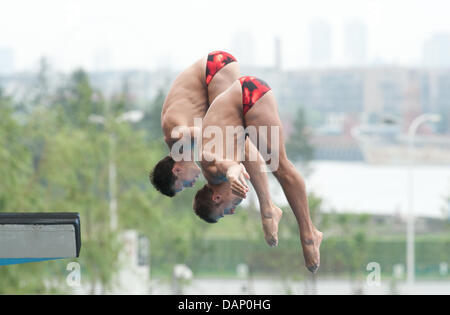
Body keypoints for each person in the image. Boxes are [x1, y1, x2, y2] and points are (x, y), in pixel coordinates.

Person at [194, 76, 323, 273]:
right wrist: (266, 207)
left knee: (281, 168)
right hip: (243, 106)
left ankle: (309, 234)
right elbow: (250, 155)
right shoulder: (221, 158)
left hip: (249, 94)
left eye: (224, 212)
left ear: (217, 197)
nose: (232, 212)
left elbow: (221, 163)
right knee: (260, 158)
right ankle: (269, 210)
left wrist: (233, 170)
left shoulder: (210, 168)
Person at [150, 51, 240, 197]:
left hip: (216, 68)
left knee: (232, 138)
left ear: (177, 170)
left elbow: (208, 132)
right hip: (215, 67)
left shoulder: (176, 139)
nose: (191, 185)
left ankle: (266, 204)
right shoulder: (179, 145)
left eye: (184, 185)